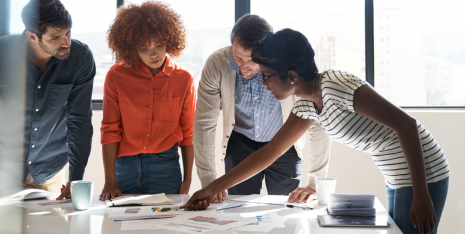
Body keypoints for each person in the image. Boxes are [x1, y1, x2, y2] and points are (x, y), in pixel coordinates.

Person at [187, 29, 450, 234]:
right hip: (397, 174)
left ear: (290, 75)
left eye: (267, 75)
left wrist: (421, 193)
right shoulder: (306, 104)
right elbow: (269, 153)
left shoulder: (337, 86)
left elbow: (406, 124)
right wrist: (211, 188)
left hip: (423, 173)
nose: (263, 82)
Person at [0, 0, 96, 207]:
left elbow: (79, 120)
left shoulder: (80, 58)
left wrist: (76, 178)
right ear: (32, 36)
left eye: (68, 32)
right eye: (56, 37)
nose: (66, 42)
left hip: (50, 171)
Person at [194, 15, 331, 204]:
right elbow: (204, 124)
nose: (243, 65)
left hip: (284, 143)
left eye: (250, 59)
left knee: (288, 210)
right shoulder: (217, 64)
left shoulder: (288, 68)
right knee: (238, 210)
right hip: (240, 143)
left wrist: (314, 183)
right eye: (237, 56)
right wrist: (208, 179)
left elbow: (317, 123)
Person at [99, 1, 195, 200]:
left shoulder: (183, 79)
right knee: (120, 227)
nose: (154, 54)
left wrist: (187, 180)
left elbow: (188, 133)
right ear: (131, 48)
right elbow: (110, 129)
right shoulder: (116, 76)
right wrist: (109, 181)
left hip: (166, 167)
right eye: (144, 48)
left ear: (169, 40)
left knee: (166, 227)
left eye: (159, 45)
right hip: (124, 166)